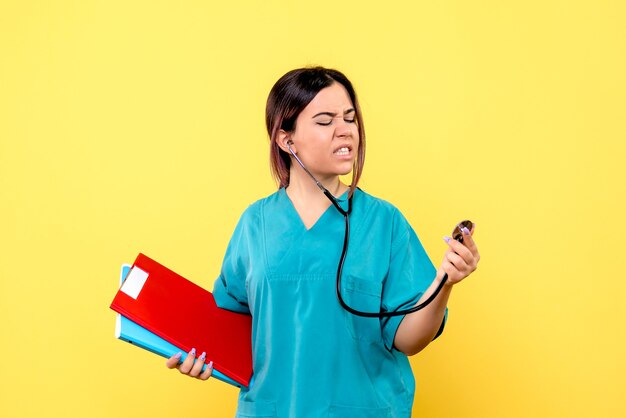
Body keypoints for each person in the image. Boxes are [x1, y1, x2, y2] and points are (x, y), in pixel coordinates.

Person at [166, 66, 480, 417]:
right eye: (325, 120)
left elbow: (409, 339)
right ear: (287, 140)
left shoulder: (384, 222)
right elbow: (229, 326)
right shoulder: (255, 224)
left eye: (349, 118)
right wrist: (199, 356)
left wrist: (445, 281)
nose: (344, 130)